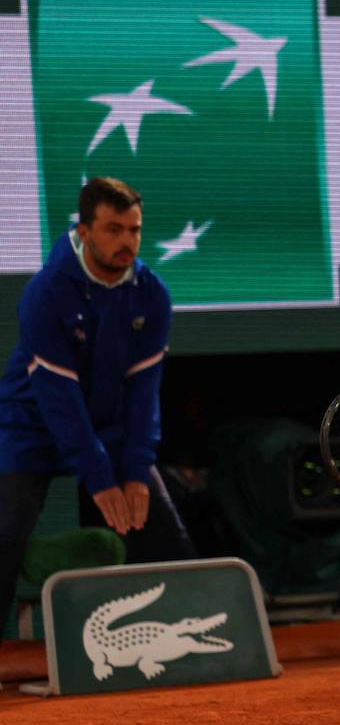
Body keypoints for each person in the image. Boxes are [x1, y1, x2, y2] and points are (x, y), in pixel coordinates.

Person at [0, 177, 195, 637]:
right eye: (113, 229)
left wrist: (134, 470)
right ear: (84, 231)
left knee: (170, 536)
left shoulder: (153, 294)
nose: (126, 241)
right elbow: (59, 398)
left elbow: (144, 393)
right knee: (4, 535)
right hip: (32, 425)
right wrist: (99, 477)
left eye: (134, 230)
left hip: (109, 425)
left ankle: (196, 646)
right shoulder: (46, 292)